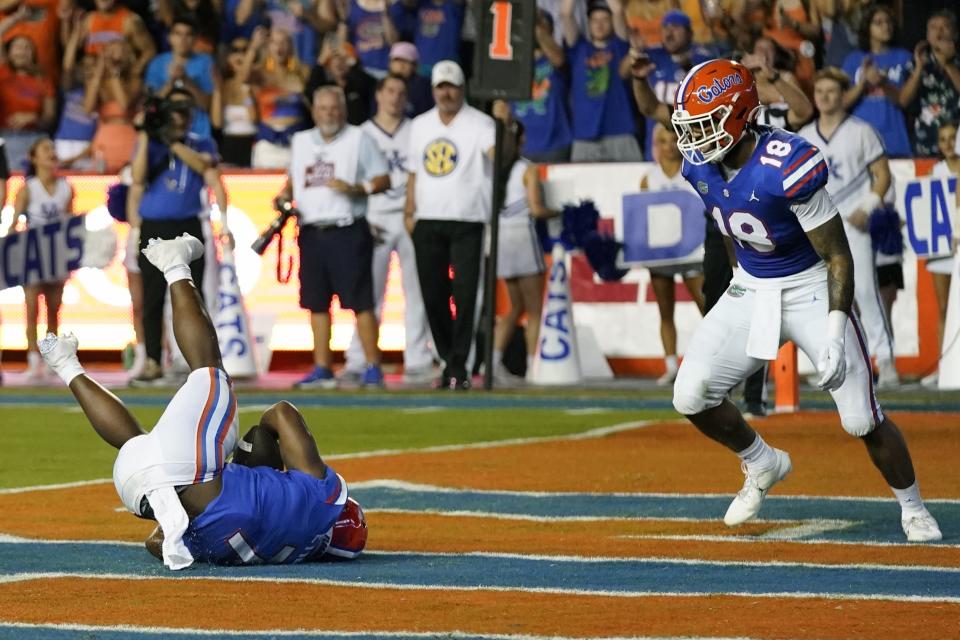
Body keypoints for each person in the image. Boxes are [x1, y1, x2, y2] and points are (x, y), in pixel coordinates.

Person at [669, 59, 941, 542]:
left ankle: (913, 505)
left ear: (737, 116)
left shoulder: (786, 163)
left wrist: (835, 330)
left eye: (704, 124)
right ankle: (762, 463)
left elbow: (837, 255)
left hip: (812, 284)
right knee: (689, 393)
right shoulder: (699, 165)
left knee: (861, 418)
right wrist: (737, 277)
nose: (694, 138)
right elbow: (727, 219)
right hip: (752, 286)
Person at [39, 234, 367, 569]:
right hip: (139, 488)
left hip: (193, 468)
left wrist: (263, 455)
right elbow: (157, 542)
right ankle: (64, 362)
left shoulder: (321, 497)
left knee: (209, 370)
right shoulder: (259, 551)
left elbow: (281, 414)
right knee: (141, 446)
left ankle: (174, 265)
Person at [283, 85, 391, 389]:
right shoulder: (301, 141)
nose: (330, 114)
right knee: (316, 301)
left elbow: (383, 177)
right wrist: (285, 197)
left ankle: (373, 366)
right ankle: (323, 367)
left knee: (361, 301)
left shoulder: (358, 138)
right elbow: (294, 180)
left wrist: (358, 188)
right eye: (324, 108)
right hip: (312, 230)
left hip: (348, 228)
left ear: (343, 110)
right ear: (314, 111)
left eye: (334, 108)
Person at [798, 67, 897, 389]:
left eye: (831, 91)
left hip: (854, 227)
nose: (825, 97)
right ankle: (829, 363)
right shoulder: (804, 136)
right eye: (820, 91)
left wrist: (866, 208)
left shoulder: (861, 131)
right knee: (821, 298)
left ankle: (885, 361)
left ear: (843, 95)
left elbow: (883, 174)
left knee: (866, 292)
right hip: (817, 229)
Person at [128, 88, 230, 385]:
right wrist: (148, 135)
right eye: (176, 112)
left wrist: (171, 141)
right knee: (152, 297)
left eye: (186, 112)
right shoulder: (151, 144)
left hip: (187, 225)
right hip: (154, 226)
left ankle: (197, 362)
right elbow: (137, 177)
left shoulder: (200, 142)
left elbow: (204, 166)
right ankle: (152, 361)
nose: (182, 118)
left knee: (192, 295)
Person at [405, 60, 495, 390]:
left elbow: (496, 153)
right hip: (427, 218)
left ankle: (462, 363)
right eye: (441, 86)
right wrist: (409, 211)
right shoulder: (420, 125)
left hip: (467, 217)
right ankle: (447, 361)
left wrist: (507, 128)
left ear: (462, 88)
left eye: (452, 86)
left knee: (468, 294)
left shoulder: (481, 122)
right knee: (433, 295)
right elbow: (414, 172)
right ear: (433, 90)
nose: (446, 92)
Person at [342, 74, 434, 385]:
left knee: (417, 290)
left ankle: (418, 357)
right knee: (368, 294)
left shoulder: (417, 129)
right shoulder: (362, 133)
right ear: (378, 95)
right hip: (375, 218)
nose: (395, 97)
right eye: (390, 91)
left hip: (409, 215)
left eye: (401, 92)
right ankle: (359, 356)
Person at [488, 118, 558, 383]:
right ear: (523, 140)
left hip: (501, 240)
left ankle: (492, 366)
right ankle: (532, 369)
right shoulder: (527, 170)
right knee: (534, 309)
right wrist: (561, 212)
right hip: (522, 238)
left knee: (514, 307)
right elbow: (537, 208)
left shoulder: (495, 170)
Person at [640, 123, 705, 385]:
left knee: (708, 309)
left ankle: (715, 363)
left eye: (672, 140)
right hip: (661, 253)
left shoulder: (693, 170)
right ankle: (670, 365)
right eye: (662, 142)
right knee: (665, 311)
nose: (668, 147)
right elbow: (642, 215)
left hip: (692, 251)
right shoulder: (649, 177)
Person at [7, 138, 73, 382]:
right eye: (46, 150)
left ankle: (52, 358)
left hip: (56, 252)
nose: (52, 154)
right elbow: (15, 224)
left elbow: (70, 222)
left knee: (54, 308)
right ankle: (33, 359)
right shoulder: (27, 188)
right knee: (32, 307)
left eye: (53, 149)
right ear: (34, 158)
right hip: (34, 251)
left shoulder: (66, 187)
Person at [561, 0, 641, 162]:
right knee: (583, 188)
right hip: (584, 135)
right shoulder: (578, 48)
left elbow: (618, 10)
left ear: (612, 23)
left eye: (605, 19)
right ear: (588, 23)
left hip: (620, 130)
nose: (599, 24)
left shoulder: (619, 46)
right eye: (595, 20)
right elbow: (566, 14)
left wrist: (616, 14)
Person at [840, 4, 912, 158]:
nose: (886, 26)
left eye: (888, 22)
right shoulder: (853, 60)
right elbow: (842, 103)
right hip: (861, 139)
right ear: (867, 28)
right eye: (878, 22)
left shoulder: (904, 57)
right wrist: (863, 83)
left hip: (895, 139)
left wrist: (882, 84)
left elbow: (906, 101)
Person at [508, 10, 572, 164]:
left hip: (555, 145)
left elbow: (559, 60)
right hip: (521, 146)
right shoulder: (513, 62)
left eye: (539, 25)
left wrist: (535, 23)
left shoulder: (557, 58)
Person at [241, 26, 311, 168]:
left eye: (284, 42)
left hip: (296, 140)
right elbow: (243, 78)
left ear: (291, 46)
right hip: (267, 143)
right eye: (274, 42)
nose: (279, 47)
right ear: (268, 46)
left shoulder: (303, 72)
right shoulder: (260, 73)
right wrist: (253, 48)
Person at [926, 121, 960, 388]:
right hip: (941, 248)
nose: (949, 144)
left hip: (956, 244)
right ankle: (942, 365)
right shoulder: (934, 172)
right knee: (944, 308)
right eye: (944, 139)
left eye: (953, 138)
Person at [143, 15, 216, 139]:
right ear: (169, 37)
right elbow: (152, 105)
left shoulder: (206, 62)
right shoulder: (157, 63)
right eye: (178, 34)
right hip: (165, 131)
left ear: (195, 39)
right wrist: (171, 81)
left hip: (198, 133)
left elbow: (206, 104)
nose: (183, 39)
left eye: (188, 35)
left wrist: (185, 79)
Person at [900, 10, 960, 158]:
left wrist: (948, 64)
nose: (939, 32)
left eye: (945, 27)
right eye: (933, 27)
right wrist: (919, 67)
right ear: (927, 35)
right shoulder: (915, 63)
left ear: (954, 33)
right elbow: (904, 100)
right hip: (926, 140)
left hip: (957, 140)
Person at [0, 22, 56, 168]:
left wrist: (33, 117)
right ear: (9, 52)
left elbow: (49, 118)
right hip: (7, 137)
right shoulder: (3, 73)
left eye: (27, 48)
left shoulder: (43, 80)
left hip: (36, 139)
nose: (22, 52)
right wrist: (18, 17)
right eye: (17, 47)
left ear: (33, 54)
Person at [386, 41, 433, 117]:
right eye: (397, 60)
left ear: (415, 66)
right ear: (389, 63)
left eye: (406, 61)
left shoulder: (424, 87)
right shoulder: (381, 85)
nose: (401, 65)